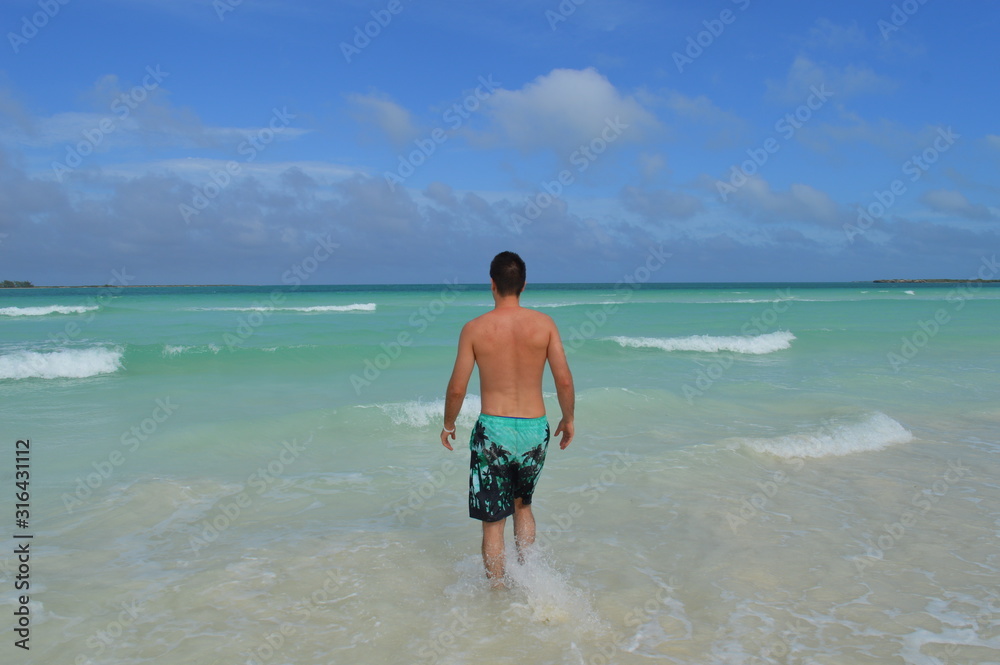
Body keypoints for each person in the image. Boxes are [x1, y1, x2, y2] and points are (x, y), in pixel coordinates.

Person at [440, 251, 575, 587]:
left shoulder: (474, 329)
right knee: (523, 505)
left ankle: (497, 592)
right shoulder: (544, 325)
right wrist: (568, 418)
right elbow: (564, 380)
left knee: (493, 522)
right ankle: (531, 580)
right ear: (524, 285)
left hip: (493, 432)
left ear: (492, 285)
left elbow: (458, 388)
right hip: (534, 429)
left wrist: (448, 424)